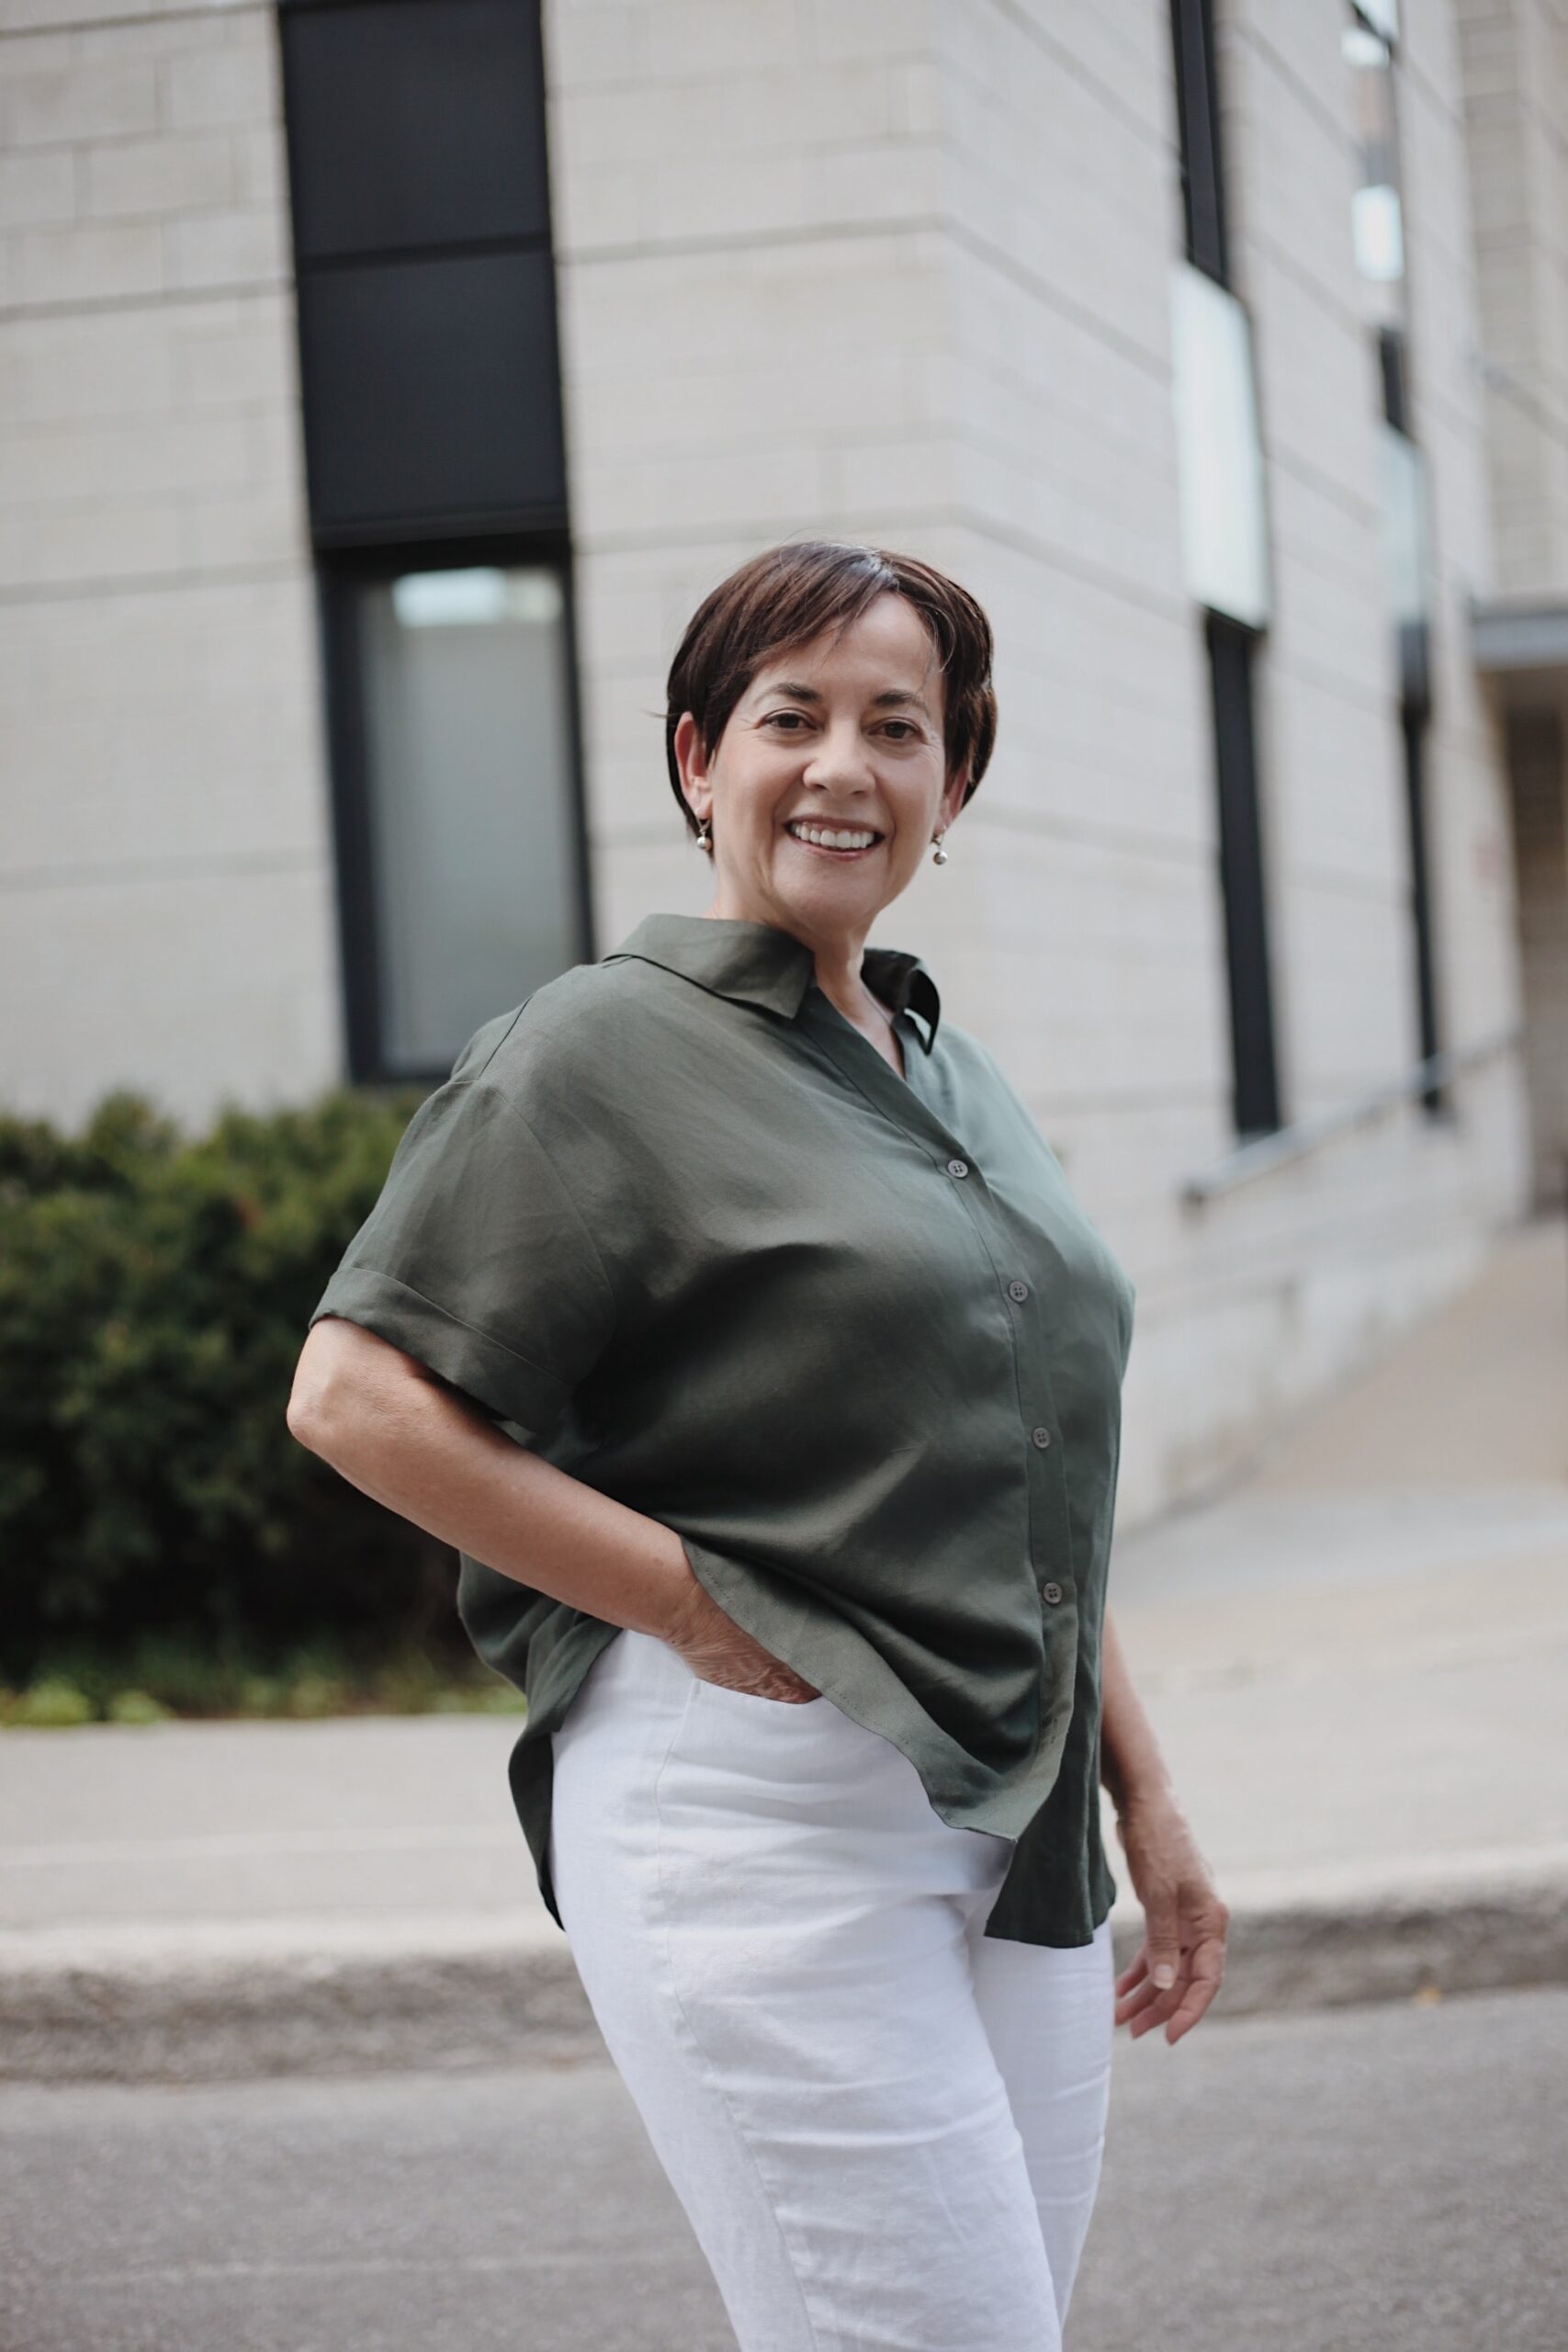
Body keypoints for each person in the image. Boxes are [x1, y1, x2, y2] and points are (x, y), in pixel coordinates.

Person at [288, 537, 1229, 2351]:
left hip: (1013, 1828)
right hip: (758, 1821)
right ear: (694, 756)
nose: (843, 766)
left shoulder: (941, 1063)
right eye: (791, 715)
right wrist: (698, 1604)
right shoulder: (591, 1050)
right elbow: (354, 1395)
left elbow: (1031, 1459)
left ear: (949, 784)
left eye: (899, 725)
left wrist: (1145, 1789)